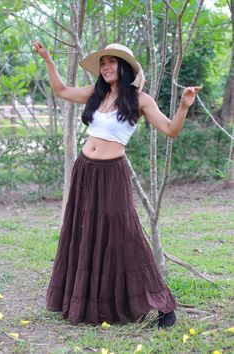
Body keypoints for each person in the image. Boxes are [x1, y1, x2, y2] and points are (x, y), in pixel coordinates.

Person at [34, 41, 202, 328]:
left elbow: (171, 131)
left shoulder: (140, 99)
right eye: (103, 63)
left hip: (113, 173)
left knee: (125, 235)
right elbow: (61, 91)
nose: (106, 67)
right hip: (85, 171)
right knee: (84, 231)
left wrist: (184, 106)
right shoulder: (95, 94)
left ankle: (162, 306)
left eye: (112, 62)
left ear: (124, 67)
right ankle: (84, 301)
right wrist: (48, 58)